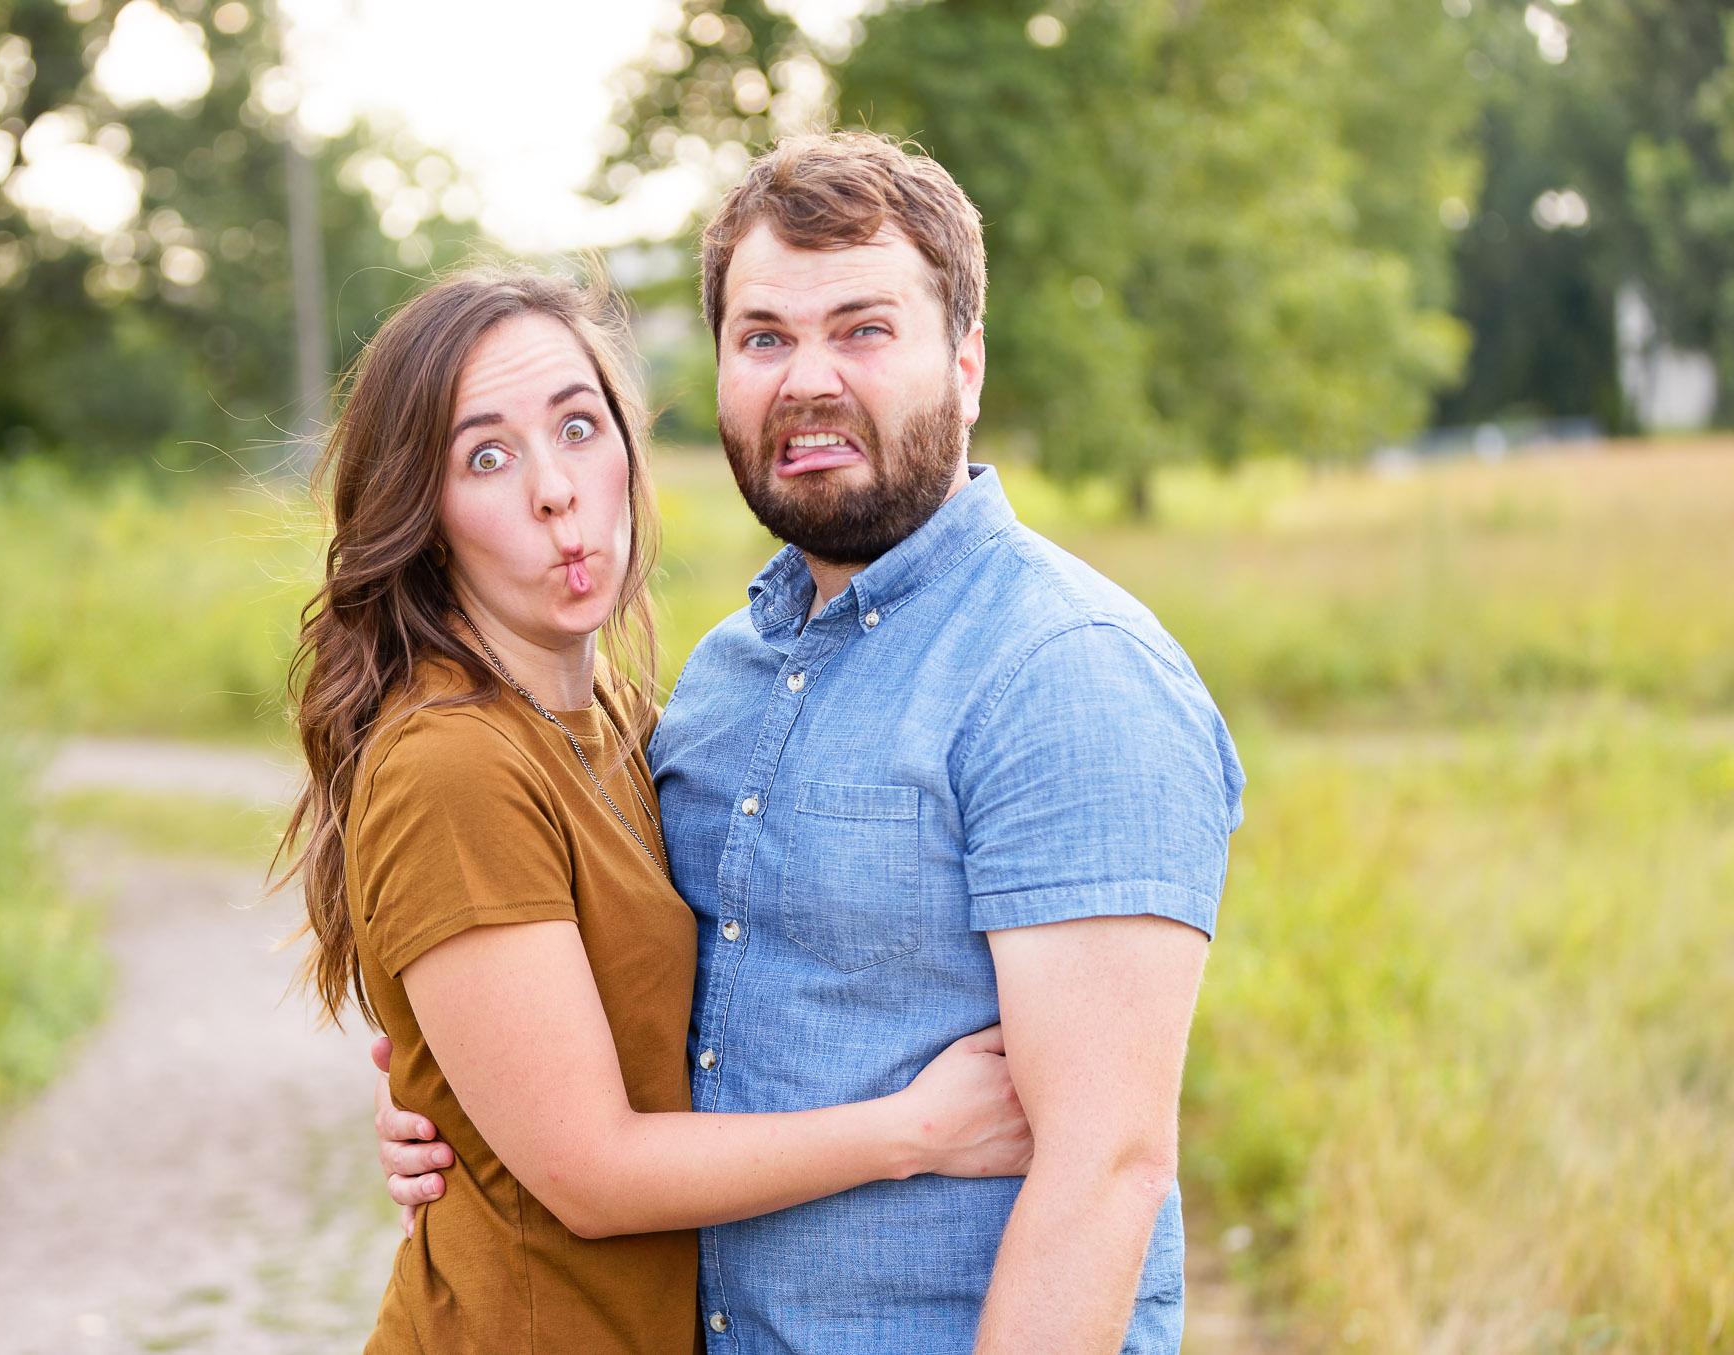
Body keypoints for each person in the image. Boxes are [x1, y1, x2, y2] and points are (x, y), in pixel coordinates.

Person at [376, 134, 1248, 1353]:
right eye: (764, 338)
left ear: (965, 362)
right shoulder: (720, 679)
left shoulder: (1063, 671)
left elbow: (1106, 1167)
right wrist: (458, 1101)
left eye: (863, 329)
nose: (808, 380)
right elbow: (623, 1014)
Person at [277, 264, 1033, 1355]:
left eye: (577, 427)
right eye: (486, 456)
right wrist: (917, 1128)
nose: (554, 490)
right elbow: (589, 1173)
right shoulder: (453, 762)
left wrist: (459, 1102)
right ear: (425, 515)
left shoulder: (623, 722)